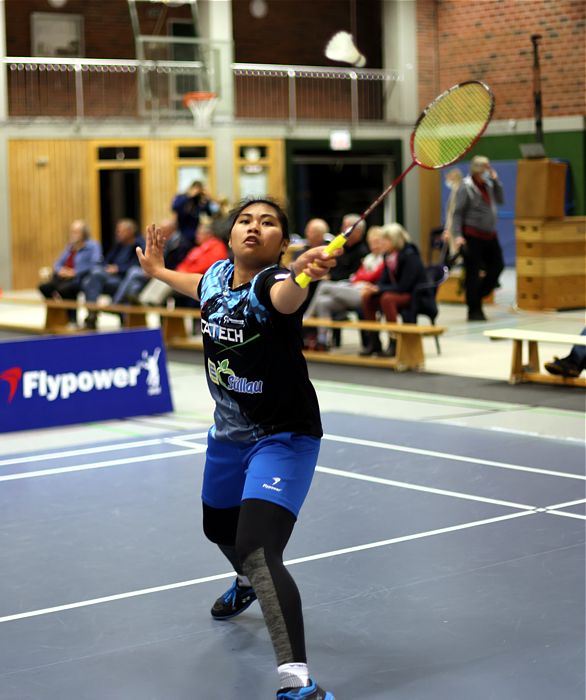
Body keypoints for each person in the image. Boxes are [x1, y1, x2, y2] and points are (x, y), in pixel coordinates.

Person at [136, 198, 339, 700]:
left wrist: (302, 274)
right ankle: (246, 583)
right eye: (246, 220)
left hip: (282, 436)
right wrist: (160, 270)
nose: (255, 227)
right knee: (217, 528)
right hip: (227, 435)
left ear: (282, 244)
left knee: (257, 547)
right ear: (230, 236)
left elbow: (287, 295)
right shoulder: (214, 276)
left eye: (268, 223)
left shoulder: (271, 285)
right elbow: (195, 287)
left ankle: (298, 682)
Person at [305, 225, 392, 349]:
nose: (374, 246)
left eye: (377, 242)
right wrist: (363, 277)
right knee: (322, 302)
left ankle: (307, 318)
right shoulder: (369, 258)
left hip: (366, 294)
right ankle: (322, 340)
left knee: (324, 285)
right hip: (355, 288)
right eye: (371, 243)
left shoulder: (384, 259)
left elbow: (372, 276)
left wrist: (364, 277)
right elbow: (357, 276)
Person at [360, 223, 428, 357]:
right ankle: (374, 343)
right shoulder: (388, 256)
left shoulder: (410, 255)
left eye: (385, 240)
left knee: (387, 298)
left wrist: (379, 288)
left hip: (414, 295)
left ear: (395, 241)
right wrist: (374, 288)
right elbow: (384, 279)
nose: (382, 243)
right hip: (397, 292)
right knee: (367, 297)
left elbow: (404, 286)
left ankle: (394, 341)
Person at [451, 155, 505, 321]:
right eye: (485, 167)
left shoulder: (489, 185)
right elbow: (458, 213)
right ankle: (474, 310)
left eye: (489, 167)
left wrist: (496, 181)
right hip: (472, 235)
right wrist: (458, 236)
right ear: (477, 170)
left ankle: (477, 295)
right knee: (472, 273)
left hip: (489, 235)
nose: (488, 170)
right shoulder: (465, 187)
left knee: (497, 266)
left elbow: (501, 200)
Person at [138, 216, 228, 307]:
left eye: (200, 234)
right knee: (162, 277)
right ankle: (144, 300)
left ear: (209, 234)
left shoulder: (217, 246)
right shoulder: (199, 248)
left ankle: (150, 303)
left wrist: (184, 272)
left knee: (166, 281)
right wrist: (179, 271)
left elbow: (209, 266)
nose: (196, 236)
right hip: (186, 274)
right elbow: (186, 262)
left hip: (200, 279)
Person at [82, 219, 144, 329]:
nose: (118, 233)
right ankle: (92, 313)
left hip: (126, 279)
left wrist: (118, 269)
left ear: (130, 231)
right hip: (112, 278)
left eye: (121, 231)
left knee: (94, 277)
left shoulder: (139, 245)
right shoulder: (119, 245)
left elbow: (138, 265)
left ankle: (96, 312)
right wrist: (107, 267)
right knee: (92, 276)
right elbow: (107, 260)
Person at [38, 220, 102, 326]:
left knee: (65, 289)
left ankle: (72, 319)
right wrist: (61, 270)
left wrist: (75, 272)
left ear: (84, 233)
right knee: (44, 287)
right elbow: (57, 263)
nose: (73, 234)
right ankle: (59, 313)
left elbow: (95, 263)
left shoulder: (93, 246)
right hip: (63, 277)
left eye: (76, 232)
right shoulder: (70, 247)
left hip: (79, 278)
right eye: (72, 231)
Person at [172, 180, 219, 246]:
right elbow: (174, 207)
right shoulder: (182, 197)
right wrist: (189, 196)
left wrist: (209, 198)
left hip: (195, 235)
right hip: (182, 233)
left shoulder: (199, 201)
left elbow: (212, 212)